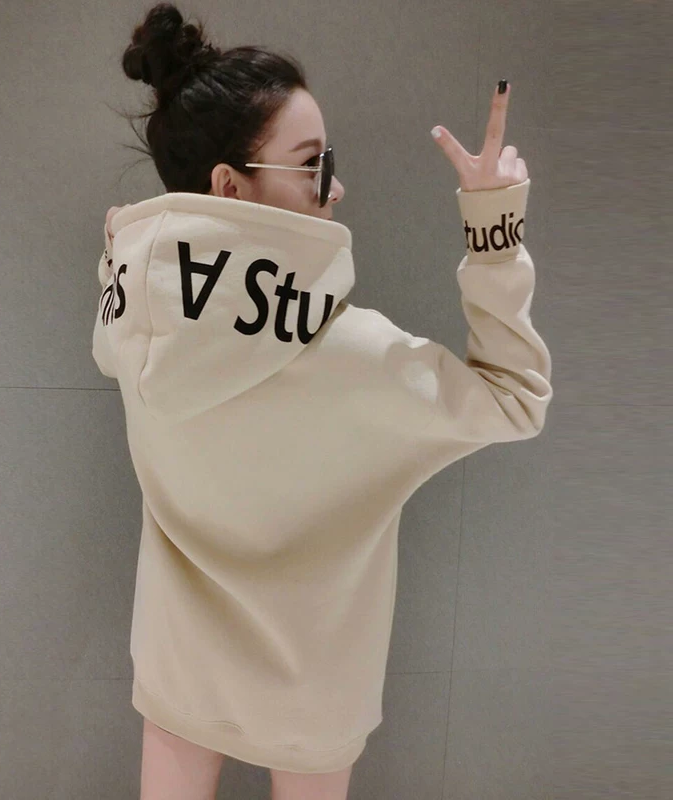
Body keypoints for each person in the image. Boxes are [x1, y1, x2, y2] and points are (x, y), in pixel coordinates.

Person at [92, 4, 552, 800]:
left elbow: (154, 262)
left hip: (176, 666)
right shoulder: (355, 356)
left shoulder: (131, 310)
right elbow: (514, 398)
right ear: (230, 184)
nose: (335, 185)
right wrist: (494, 229)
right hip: (316, 689)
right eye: (313, 163)